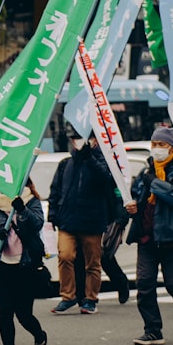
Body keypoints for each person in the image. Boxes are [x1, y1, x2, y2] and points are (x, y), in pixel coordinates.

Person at [125, 127, 173, 345]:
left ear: (171, 147)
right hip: (147, 237)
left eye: (162, 145)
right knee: (145, 284)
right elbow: (138, 197)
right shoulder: (146, 171)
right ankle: (153, 330)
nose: (157, 149)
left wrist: (154, 183)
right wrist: (132, 207)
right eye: (154, 145)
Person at [0, 183, 48, 345]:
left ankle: (40, 337)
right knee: (5, 312)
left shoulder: (31, 201)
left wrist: (22, 211)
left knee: (24, 314)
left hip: (26, 266)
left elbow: (37, 224)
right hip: (2, 265)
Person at [48, 133, 113, 315]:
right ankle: (68, 296)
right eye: (74, 138)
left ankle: (90, 298)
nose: (77, 142)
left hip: (92, 220)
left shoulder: (100, 161)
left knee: (92, 263)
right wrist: (52, 214)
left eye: (82, 138)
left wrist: (89, 156)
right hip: (67, 220)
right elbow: (56, 190)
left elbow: (105, 180)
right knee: (65, 256)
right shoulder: (65, 164)